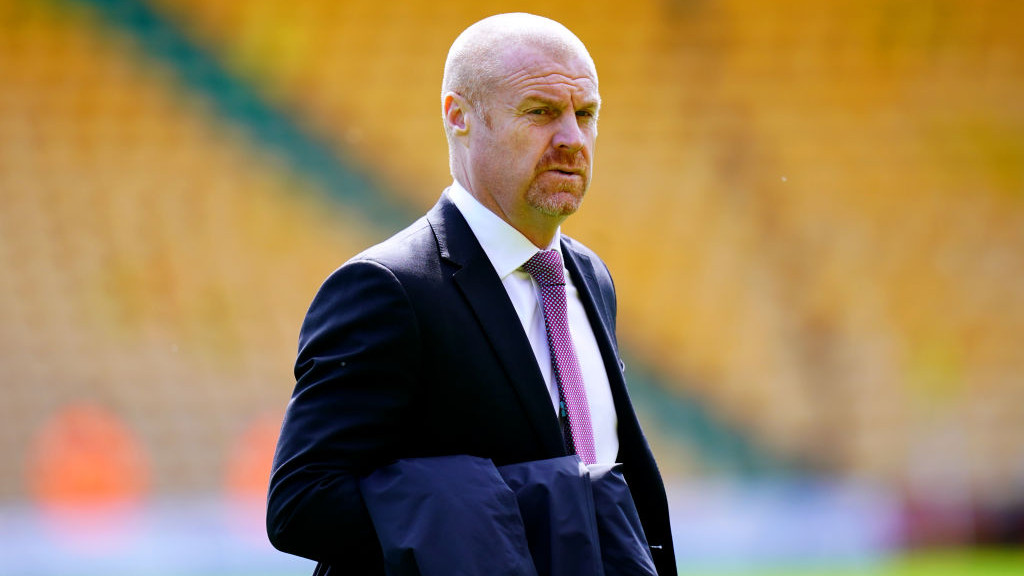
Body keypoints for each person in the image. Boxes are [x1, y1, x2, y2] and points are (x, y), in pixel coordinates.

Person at [267, 13, 676, 575]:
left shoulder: (590, 276)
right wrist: (527, 517)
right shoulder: (387, 289)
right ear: (458, 116)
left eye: (585, 115)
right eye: (541, 113)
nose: (571, 140)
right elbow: (301, 503)